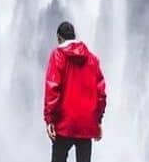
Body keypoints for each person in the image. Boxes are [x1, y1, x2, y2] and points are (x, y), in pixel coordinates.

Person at [43, 21, 106, 162]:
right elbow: (101, 93)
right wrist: (98, 120)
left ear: (59, 38)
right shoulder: (93, 59)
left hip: (64, 124)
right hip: (86, 124)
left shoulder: (58, 56)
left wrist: (50, 120)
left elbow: (52, 88)